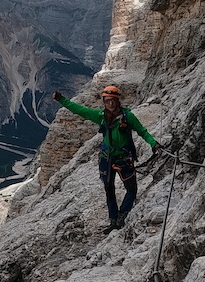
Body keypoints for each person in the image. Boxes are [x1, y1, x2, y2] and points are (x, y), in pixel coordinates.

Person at [52, 85, 158, 230]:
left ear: (117, 100)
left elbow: (142, 131)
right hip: (108, 158)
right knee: (109, 190)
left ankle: (122, 215)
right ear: (104, 101)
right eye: (108, 101)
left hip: (120, 158)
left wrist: (154, 144)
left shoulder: (128, 116)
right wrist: (61, 99)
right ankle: (114, 221)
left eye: (113, 100)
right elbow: (79, 110)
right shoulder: (101, 117)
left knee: (131, 190)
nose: (111, 103)